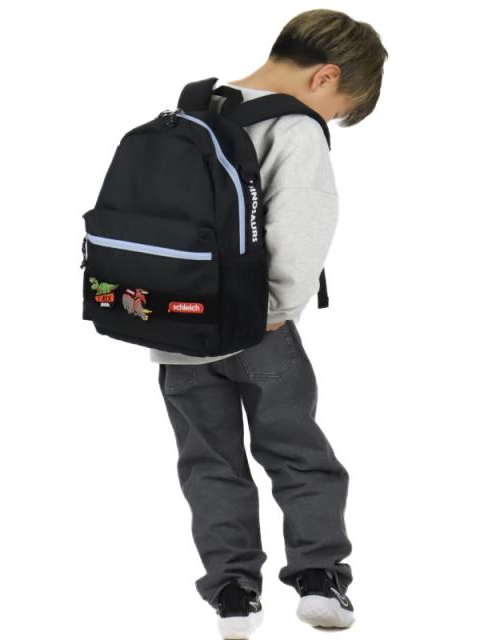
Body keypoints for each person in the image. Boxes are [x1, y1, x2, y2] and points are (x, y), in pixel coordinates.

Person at [154, 8, 387, 638]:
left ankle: (233, 594)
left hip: (175, 330)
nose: (328, 120)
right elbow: (301, 230)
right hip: (260, 330)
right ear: (325, 77)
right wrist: (277, 311)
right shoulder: (294, 126)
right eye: (338, 110)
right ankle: (319, 579)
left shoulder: (195, 108)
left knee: (208, 464)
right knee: (297, 453)